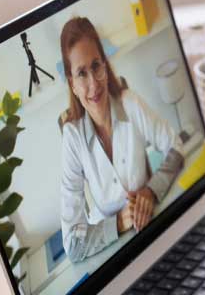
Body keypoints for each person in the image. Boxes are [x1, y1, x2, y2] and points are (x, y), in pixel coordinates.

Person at [57, 16, 186, 262]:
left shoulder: (129, 102)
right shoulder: (72, 138)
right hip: (111, 253)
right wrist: (117, 223)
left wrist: (151, 191)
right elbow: (72, 245)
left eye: (96, 66)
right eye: (81, 73)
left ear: (105, 64)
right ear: (72, 83)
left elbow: (176, 146)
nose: (93, 84)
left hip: (151, 223)